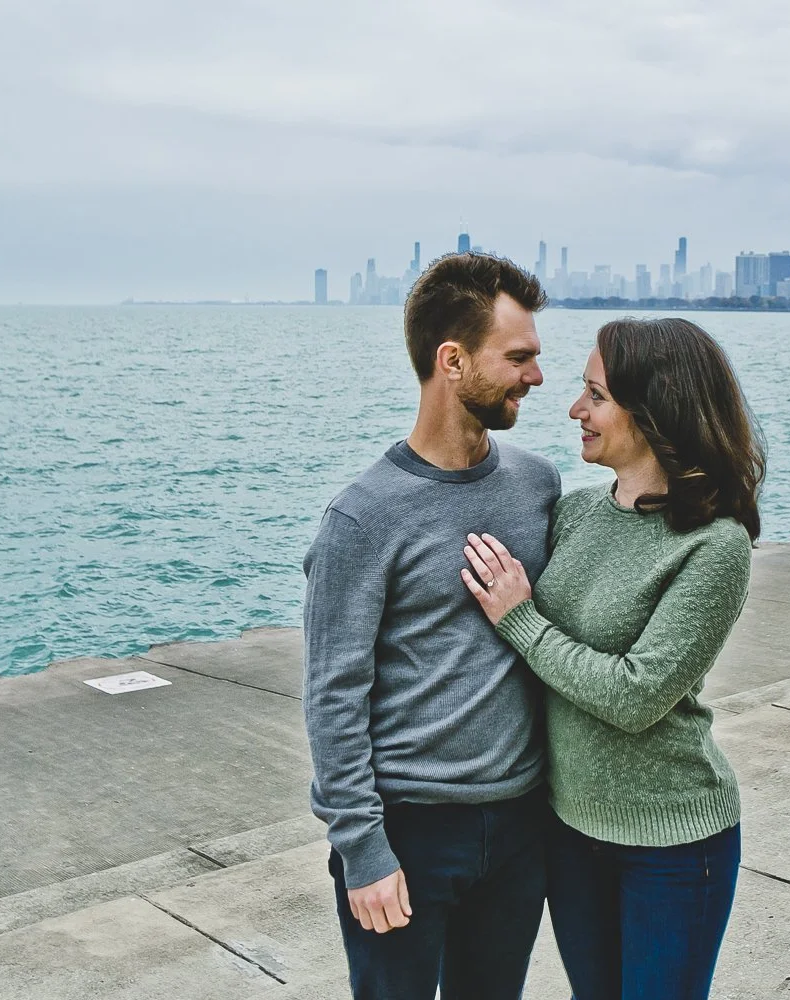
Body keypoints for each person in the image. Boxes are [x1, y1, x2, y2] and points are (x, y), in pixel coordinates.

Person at [462, 317, 765, 1000]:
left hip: (675, 847)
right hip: (569, 831)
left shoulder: (714, 546)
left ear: (655, 410)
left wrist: (521, 619)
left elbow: (636, 695)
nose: (575, 410)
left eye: (595, 396)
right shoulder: (574, 514)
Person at [302, 252, 560, 1000]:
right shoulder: (362, 519)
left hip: (519, 828)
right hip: (408, 835)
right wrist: (363, 850)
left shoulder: (538, 485)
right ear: (452, 360)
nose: (536, 377)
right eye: (518, 357)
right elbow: (333, 697)